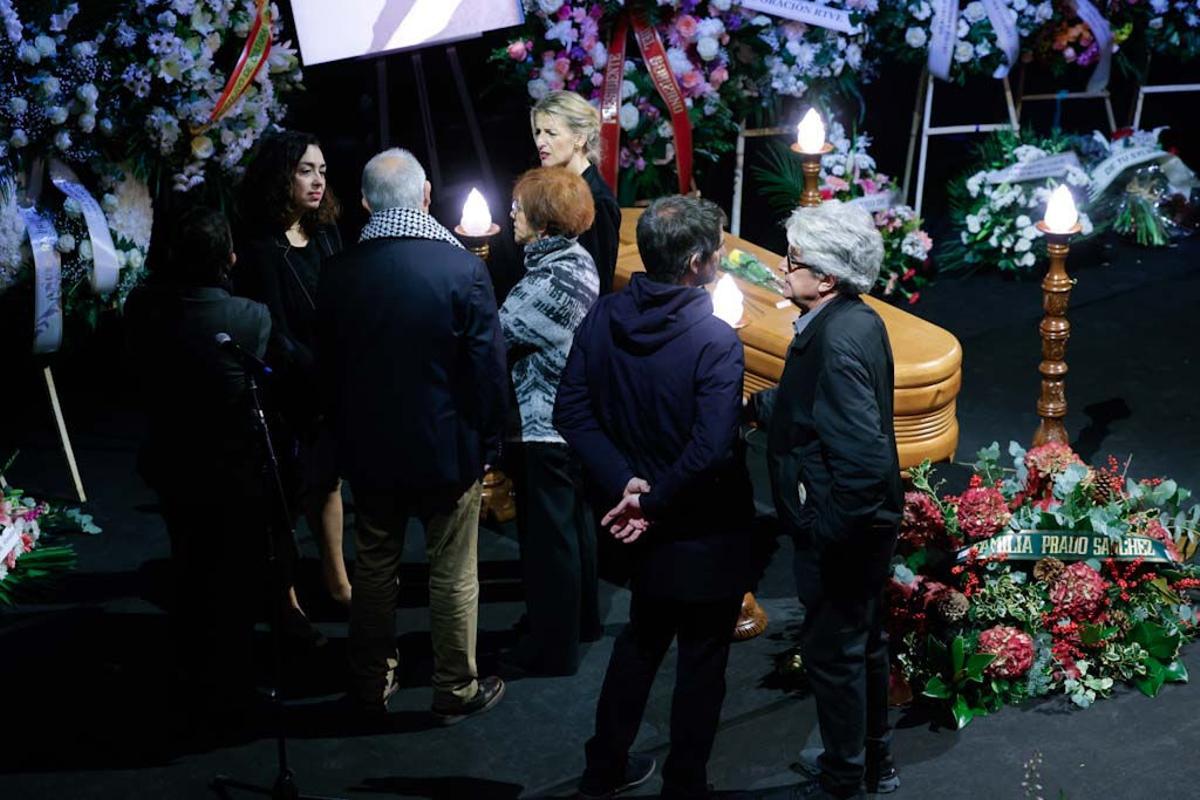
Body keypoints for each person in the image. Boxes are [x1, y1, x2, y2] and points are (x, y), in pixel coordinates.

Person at [554, 196, 754, 800]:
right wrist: (653, 498)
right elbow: (712, 447)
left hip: (638, 523)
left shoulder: (605, 314)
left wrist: (626, 484)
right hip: (700, 527)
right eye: (716, 249)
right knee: (701, 663)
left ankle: (603, 770)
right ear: (696, 263)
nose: (720, 257)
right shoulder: (714, 339)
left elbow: (572, 411)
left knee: (640, 642)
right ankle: (684, 784)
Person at [316, 147, 508, 721]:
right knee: (453, 571)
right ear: (426, 197)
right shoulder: (463, 269)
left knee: (374, 569)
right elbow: (487, 371)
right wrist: (491, 444)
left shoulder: (338, 273)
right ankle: (455, 688)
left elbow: (328, 370)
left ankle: (371, 682)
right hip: (448, 451)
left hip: (371, 452)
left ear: (368, 203)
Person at [749, 201, 903, 800]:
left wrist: (821, 527)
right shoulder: (856, 320)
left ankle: (843, 781)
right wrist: (754, 411)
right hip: (865, 526)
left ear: (828, 277)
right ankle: (874, 763)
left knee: (834, 655)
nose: (783, 270)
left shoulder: (834, 343)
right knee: (862, 644)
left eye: (793, 261)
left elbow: (861, 462)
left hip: (846, 531)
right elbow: (806, 402)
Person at [125, 207, 272, 721]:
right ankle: (229, 682)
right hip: (231, 469)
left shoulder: (142, 309)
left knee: (188, 559)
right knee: (232, 577)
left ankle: (191, 674)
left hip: (171, 461)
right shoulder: (250, 317)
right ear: (229, 258)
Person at [235, 130, 351, 611]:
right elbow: (272, 331)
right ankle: (285, 601)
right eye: (306, 170)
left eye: (322, 170)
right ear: (282, 176)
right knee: (281, 494)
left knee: (327, 481)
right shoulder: (260, 246)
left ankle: (338, 581)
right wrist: (317, 370)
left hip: (329, 380)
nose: (318, 180)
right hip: (283, 386)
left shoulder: (325, 232)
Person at [498, 167, 600, 677]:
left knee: (549, 542)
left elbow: (498, 333)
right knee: (567, 532)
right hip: (560, 423)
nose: (511, 215)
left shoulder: (555, 276)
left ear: (540, 220)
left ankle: (553, 646)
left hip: (545, 425)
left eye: (518, 208)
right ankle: (576, 626)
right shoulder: (566, 262)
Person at [531, 90, 621, 295]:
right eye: (538, 132)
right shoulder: (554, 188)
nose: (540, 142)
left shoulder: (598, 201)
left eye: (551, 133)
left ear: (579, 138)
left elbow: (598, 282)